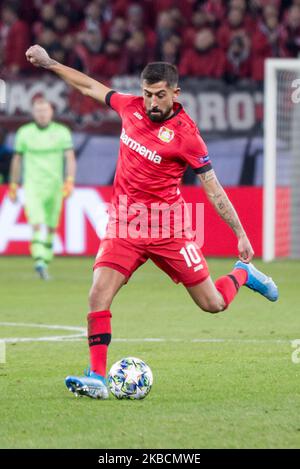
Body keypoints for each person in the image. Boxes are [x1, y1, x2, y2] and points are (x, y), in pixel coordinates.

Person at [25, 45, 278, 399]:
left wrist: (240, 233)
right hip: (125, 226)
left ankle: (243, 274)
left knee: (212, 304)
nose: (151, 102)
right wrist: (51, 63)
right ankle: (96, 376)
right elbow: (89, 86)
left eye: (159, 95)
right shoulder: (129, 107)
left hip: (168, 230)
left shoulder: (187, 135)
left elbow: (213, 188)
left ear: (175, 94)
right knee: (98, 294)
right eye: (147, 94)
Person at [8, 97, 76, 280]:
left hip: (55, 186)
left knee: (52, 227)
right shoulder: (24, 133)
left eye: (45, 110)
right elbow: (17, 159)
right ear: (33, 113)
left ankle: (45, 261)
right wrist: (13, 184)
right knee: (37, 224)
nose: (42, 114)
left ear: (51, 112)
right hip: (33, 186)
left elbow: (69, 158)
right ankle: (39, 260)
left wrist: (69, 181)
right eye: (38, 111)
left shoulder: (62, 132)